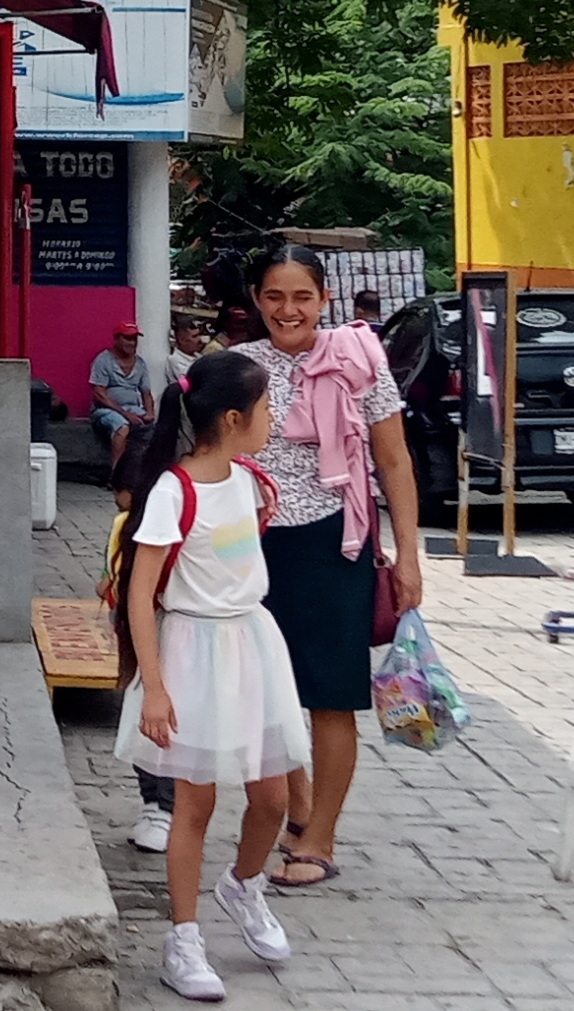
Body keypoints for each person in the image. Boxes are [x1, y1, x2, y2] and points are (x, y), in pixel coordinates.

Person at [111, 352, 308, 1001]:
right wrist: (157, 686)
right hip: (193, 653)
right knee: (193, 804)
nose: (271, 418)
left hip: (250, 646)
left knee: (272, 797)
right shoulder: (174, 489)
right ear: (232, 417)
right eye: (265, 407)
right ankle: (184, 937)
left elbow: (228, 559)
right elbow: (141, 594)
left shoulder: (248, 482)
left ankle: (242, 887)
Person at [236, 244, 425, 888]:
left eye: (302, 297)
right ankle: (297, 805)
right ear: (256, 300)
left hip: (337, 542)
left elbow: (395, 463)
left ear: (323, 300)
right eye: (274, 296)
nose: (288, 310)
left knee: (330, 699)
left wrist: (409, 557)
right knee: (267, 691)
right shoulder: (239, 367)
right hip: (254, 548)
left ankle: (319, 839)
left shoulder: (361, 364)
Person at [86, 323, 157, 471]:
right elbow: (99, 394)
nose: (132, 343)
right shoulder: (104, 360)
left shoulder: (140, 363)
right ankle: (116, 475)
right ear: (116, 339)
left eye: (134, 339)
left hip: (132, 408)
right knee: (122, 427)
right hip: (105, 410)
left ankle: (145, 473)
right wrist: (124, 413)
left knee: (153, 429)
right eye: (127, 339)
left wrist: (149, 413)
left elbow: (146, 392)